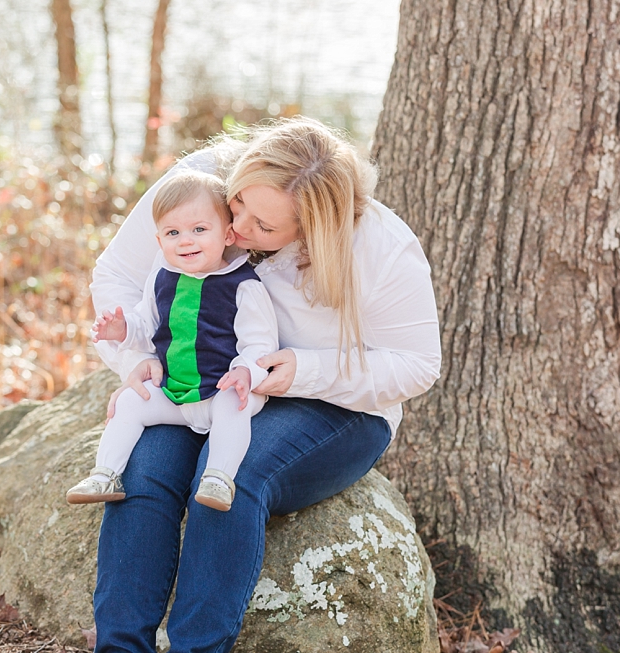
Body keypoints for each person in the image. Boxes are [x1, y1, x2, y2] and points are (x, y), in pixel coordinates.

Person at [89, 117, 442, 652]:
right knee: (145, 468)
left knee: (232, 476)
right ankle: (118, 646)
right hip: (202, 385)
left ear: (312, 228)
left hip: (331, 405)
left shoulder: (381, 248)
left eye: (264, 227)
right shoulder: (198, 183)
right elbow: (116, 274)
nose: (236, 229)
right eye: (237, 206)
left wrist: (305, 369)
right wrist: (136, 358)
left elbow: (417, 364)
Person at [65, 171, 278, 511]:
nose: (185, 241)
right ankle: (106, 473)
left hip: (222, 388)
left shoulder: (243, 285)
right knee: (129, 402)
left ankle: (219, 478)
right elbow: (146, 325)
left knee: (233, 407)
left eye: (199, 230)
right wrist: (122, 329)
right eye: (173, 232)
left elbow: (261, 344)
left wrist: (246, 372)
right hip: (176, 392)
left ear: (226, 235)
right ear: (159, 239)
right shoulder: (162, 279)